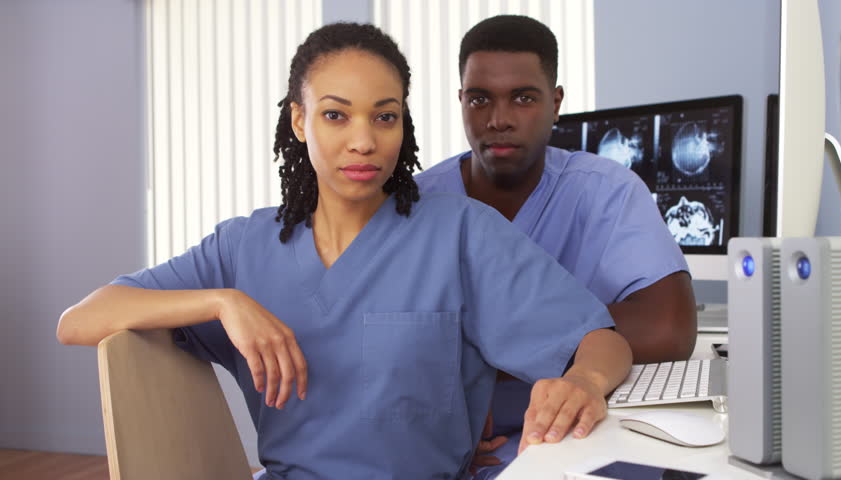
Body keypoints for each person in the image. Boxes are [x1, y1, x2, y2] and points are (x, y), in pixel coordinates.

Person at [56, 23, 632, 480]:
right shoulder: (243, 248)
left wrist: (582, 381)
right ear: (300, 121)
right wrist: (224, 302)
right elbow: (80, 320)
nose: (364, 140)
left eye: (385, 116)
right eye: (337, 114)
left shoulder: (459, 233)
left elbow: (601, 340)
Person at [415, 15, 698, 478]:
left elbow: (668, 327)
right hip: (448, 448)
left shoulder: (604, 190)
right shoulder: (417, 203)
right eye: (480, 99)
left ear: (556, 103)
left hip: (576, 439)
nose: (499, 119)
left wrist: (474, 365)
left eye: (523, 98)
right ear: (461, 101)